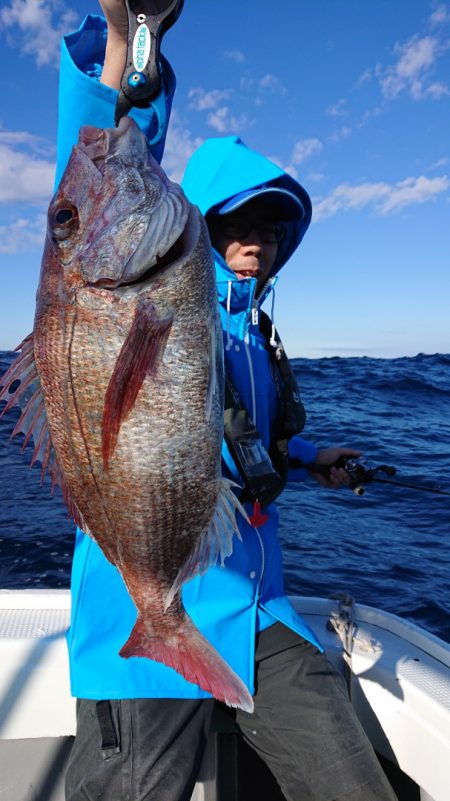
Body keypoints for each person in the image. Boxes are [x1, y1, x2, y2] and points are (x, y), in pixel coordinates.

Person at [59, 4, 398, 801]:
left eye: (275, 221)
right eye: (241, 217)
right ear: (198, 221)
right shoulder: (159, 297)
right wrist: (124, 47)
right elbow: (99, 186)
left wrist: (313, 458)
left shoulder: (255, 336)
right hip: (145, 610)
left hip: (256, 608)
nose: (260, 235)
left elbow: (251, 439)